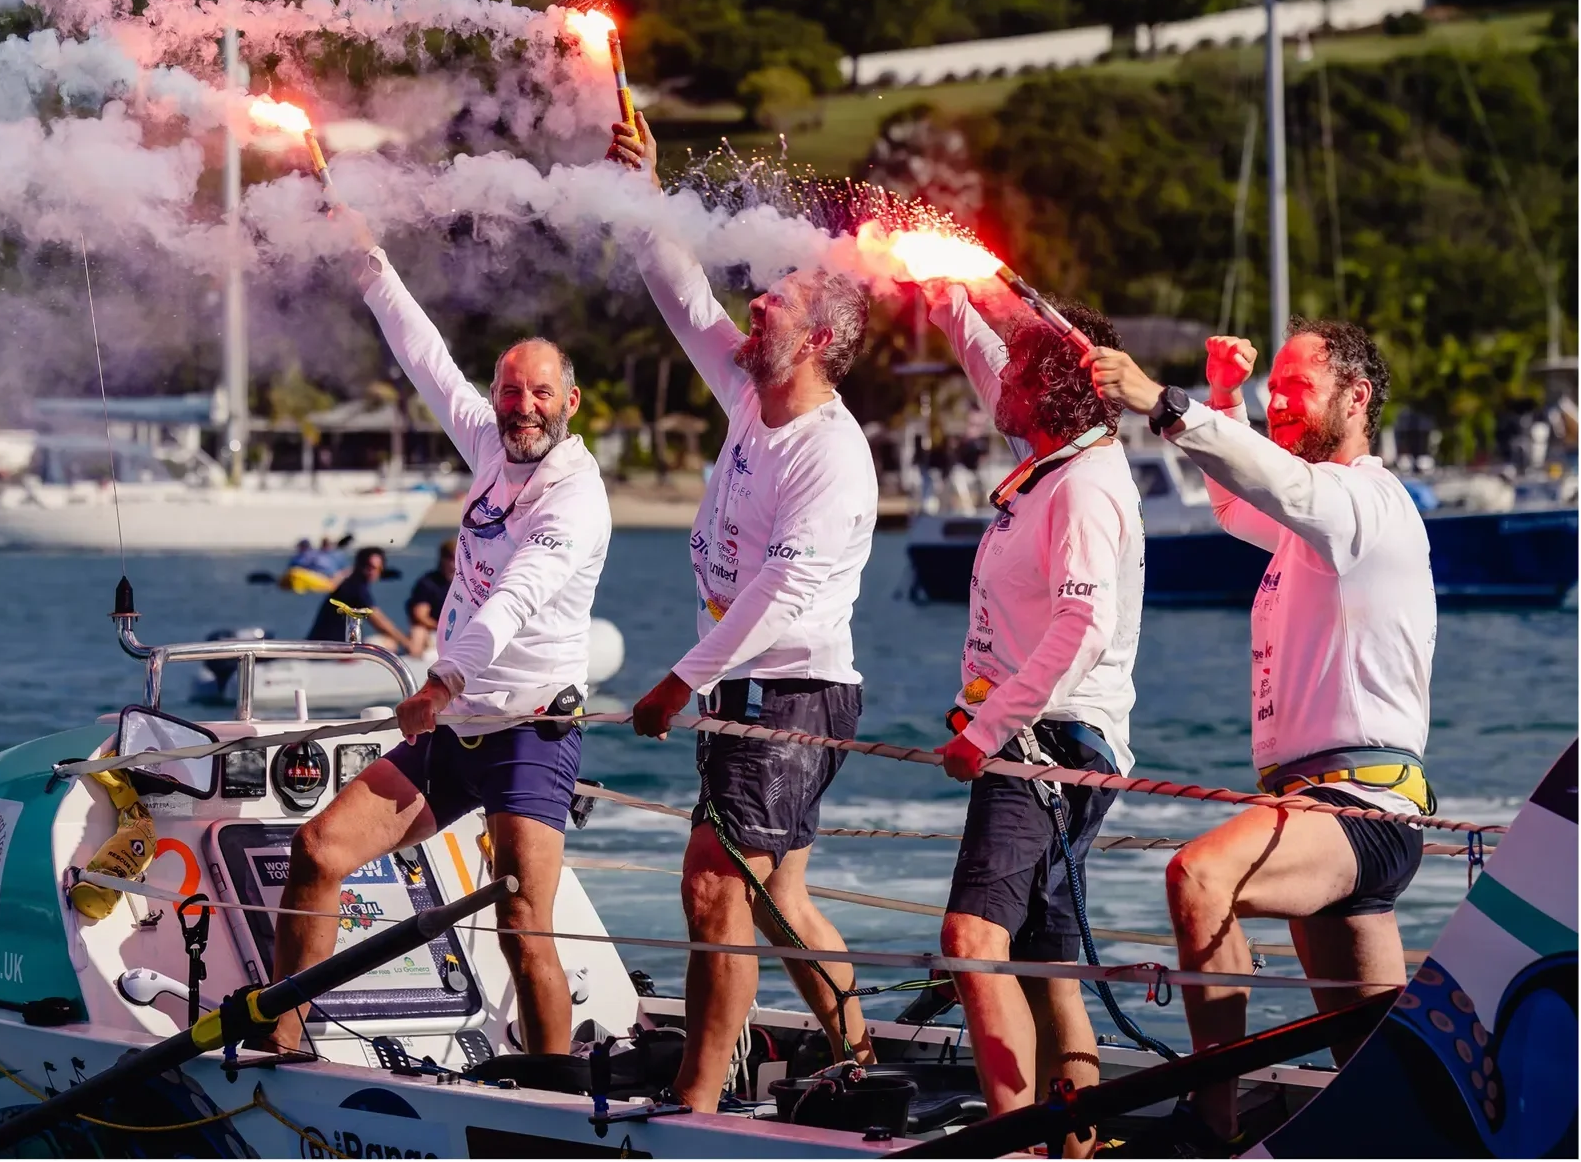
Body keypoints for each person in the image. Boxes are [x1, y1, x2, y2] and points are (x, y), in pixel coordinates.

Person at [1086, 321, 1433, 1145]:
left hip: (1360, 810)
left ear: (1357, 398)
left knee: (1200, 876)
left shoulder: (1364, 504)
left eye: (1296, 388)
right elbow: (1240, 494)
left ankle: (1212, 1121)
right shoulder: (1307, 521)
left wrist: (1160, 404)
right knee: (1370, 1074)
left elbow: (1281, 484)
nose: (1280, 403)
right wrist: (1223, 397)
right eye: (1272, 389)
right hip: (1326, 817)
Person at [271, 236, 612, 1058]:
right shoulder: (492, 447)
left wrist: (442, 678)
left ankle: (553, 1094)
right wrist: (365, 258)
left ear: (571, 399)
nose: (521, 406)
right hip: (453, 731)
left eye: (539, 392)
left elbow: (516, 599)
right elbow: (423, 355)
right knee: (316, 849)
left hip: (528, 733)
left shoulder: (576, 499)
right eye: (508, 390)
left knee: (523, 925)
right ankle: (281, 1042)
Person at [611, 114, 880, 1111]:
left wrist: (684, 678)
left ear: (812, 339)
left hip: (790, 691)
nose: (754, 302)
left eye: (776, 299)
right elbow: (683, 297)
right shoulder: (745, 390)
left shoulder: (830, 452)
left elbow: (783, 592)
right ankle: (856, 1056)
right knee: (776, 899)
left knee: (717, 889)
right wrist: (639, 196)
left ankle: (696, 1099)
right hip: (756, 692)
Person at [918, 279, 1144, 1153]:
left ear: (1056, 388)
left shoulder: (1085, 485)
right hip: (1052, 738)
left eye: (1021, 364)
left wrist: (984, 729)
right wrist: (942, 302)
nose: (1001, 374)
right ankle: (1075, 1144)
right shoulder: (1062, 449)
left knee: (973, 938)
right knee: (1051, 964)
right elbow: (990, 367)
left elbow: (1081, 625)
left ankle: (1010, 1142)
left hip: (1047, 742)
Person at [305, 546, 414, 652]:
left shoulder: (351, 583)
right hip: (333, 650)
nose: (372, 571)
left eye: (377, 568)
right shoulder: (355, 588)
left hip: (328, 646)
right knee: (388, 643)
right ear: (359, 566)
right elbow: (380, 622)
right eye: (369, 566)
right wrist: (407, 644)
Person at [406, 539, 458, 657]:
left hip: (462, 630)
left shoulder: (467, 583)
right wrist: (444, 629)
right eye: (451, 558)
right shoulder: (428, 583)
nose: (454, 563)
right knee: (418, 631)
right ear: (443, 559)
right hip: (434, 630)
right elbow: (420, 616)